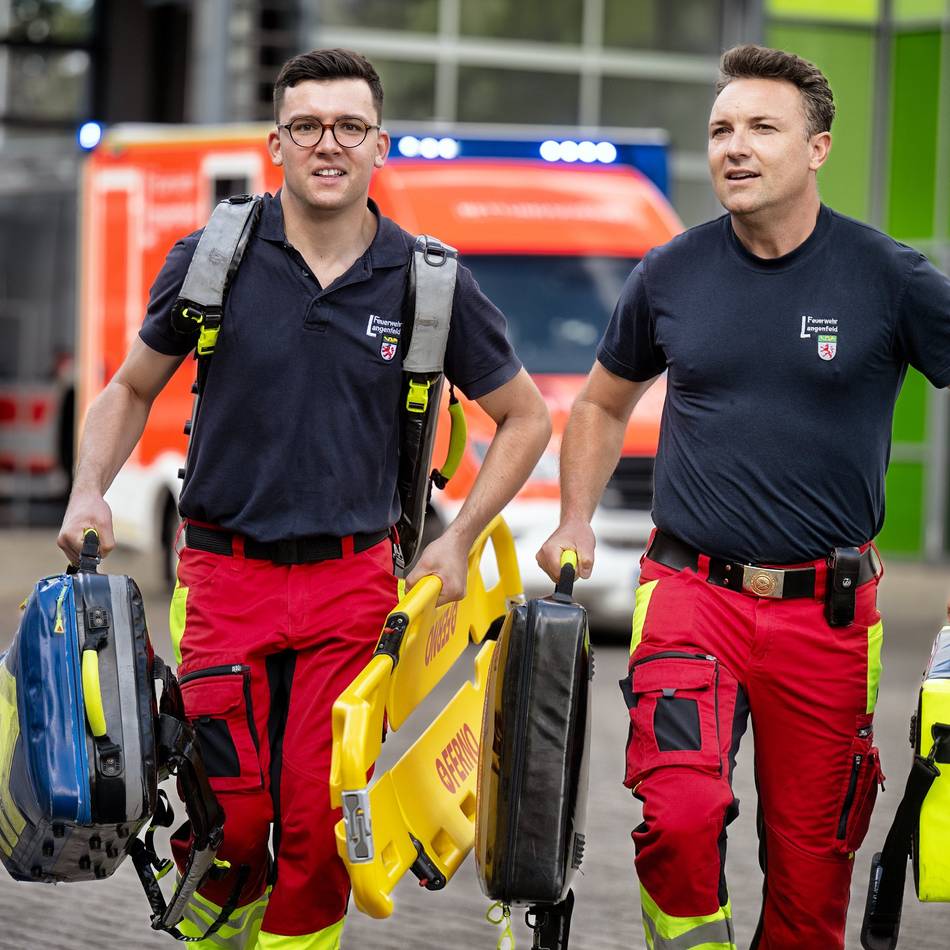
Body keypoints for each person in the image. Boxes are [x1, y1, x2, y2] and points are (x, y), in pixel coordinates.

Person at [59, 48, 550, 950]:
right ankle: (218, 920)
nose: (330, 144)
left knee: (322, 825)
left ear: (379, 144)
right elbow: (129, 389)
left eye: (350, 127)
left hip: (352, 587)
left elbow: (527, 418)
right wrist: (89, 488)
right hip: (223, 578)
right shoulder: (212, 258)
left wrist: (460, 538)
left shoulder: (428, 281)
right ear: (277, 143)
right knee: (234, 819)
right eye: (308, 126)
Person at [538, 43, 950, 950]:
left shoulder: (888, 277)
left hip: (832, 616)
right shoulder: (672, 273)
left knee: (813, 871)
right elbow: (604, 402)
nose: (735, 146)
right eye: (722, 128)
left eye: (763, 127)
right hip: (690, 593)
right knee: (677, 814)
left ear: (819, 148)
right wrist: (575, 517)